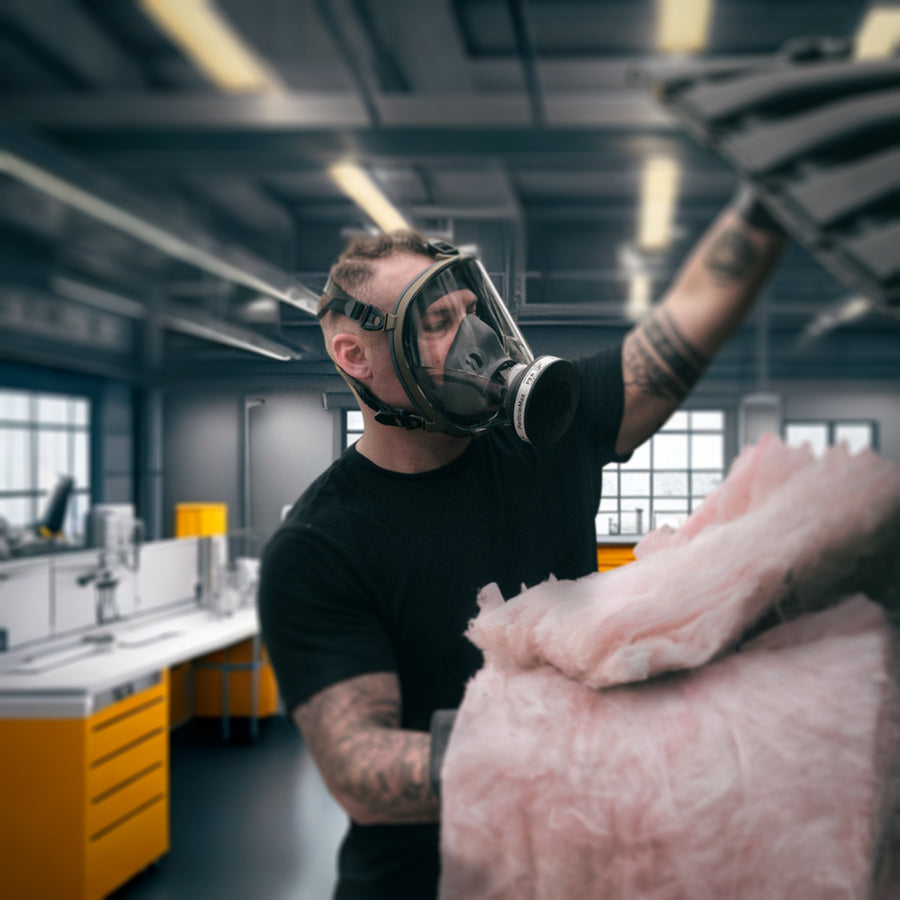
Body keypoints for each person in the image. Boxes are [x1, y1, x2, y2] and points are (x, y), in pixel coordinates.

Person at [258, 186, 786, 899]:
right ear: (356, 356)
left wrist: (768, 205)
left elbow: (680, 331)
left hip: (575, 866)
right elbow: (363, 768)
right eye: (438, 322)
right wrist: (577, 747)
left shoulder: (546, 439)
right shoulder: (320, 544)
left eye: (471, 313)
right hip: (429, 880)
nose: (475, 341)